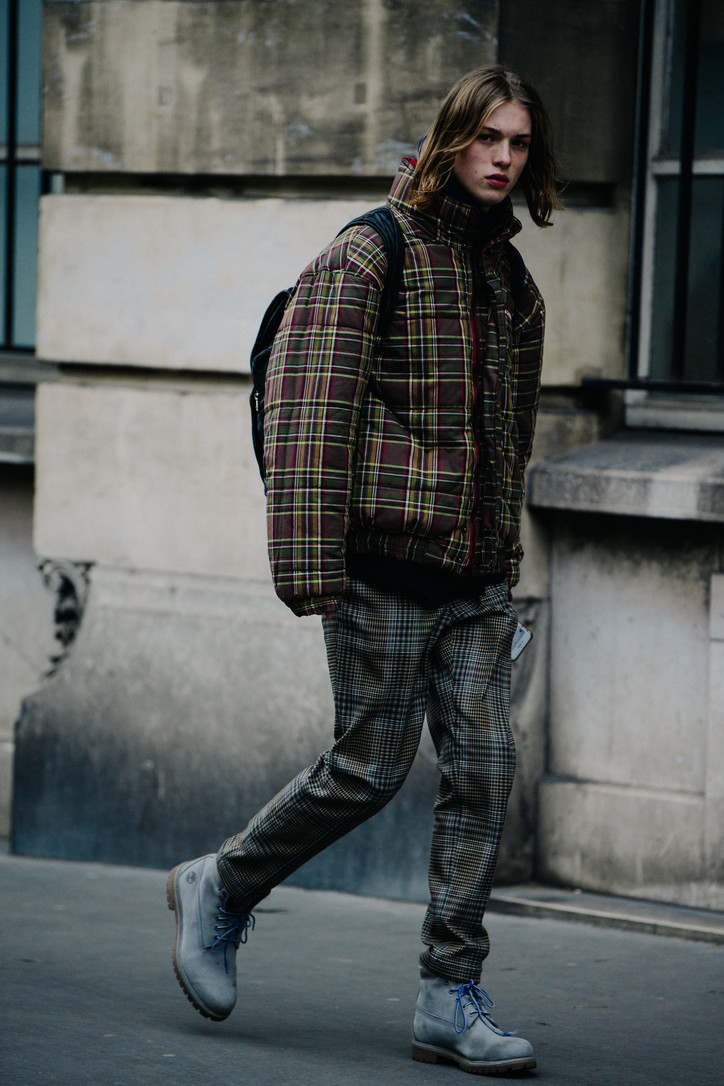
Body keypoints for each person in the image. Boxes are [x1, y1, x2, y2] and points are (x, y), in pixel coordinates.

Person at [167, 64, 559, 1076]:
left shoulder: (510, 282)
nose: (503, 158)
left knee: (483, 776)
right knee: (366, 771)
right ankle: (222, 883)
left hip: (472, 575)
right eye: (487, 139)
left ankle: (447, 995)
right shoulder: (369, 253)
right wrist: (309, 564)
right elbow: (307, 405)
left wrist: (502, 563)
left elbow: (504, 443)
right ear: (449, 141)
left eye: (517, 142)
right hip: (381, 565)